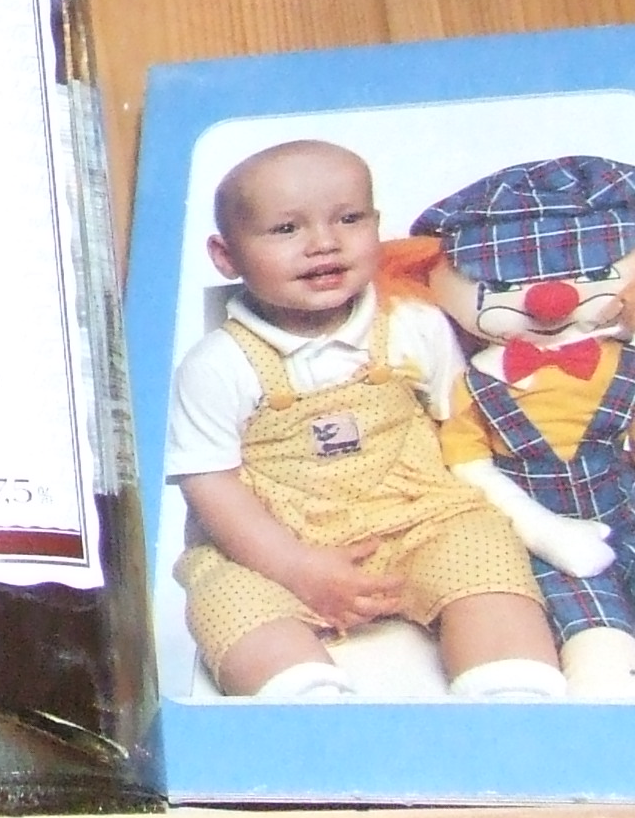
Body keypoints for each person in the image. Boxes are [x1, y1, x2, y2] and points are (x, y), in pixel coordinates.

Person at [164, 139, 561, 700]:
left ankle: (509, 686)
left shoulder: (413, 323)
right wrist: (297, 568)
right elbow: (210, 484)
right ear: (226, 256)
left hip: (416, 517)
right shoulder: (219, 363)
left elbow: (462, 424)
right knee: (224, 596)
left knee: (483, 544)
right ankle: (303, 699)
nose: (324, 243)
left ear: (377, 224)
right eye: (286, 229)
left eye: (348, 219)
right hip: (277, 541)